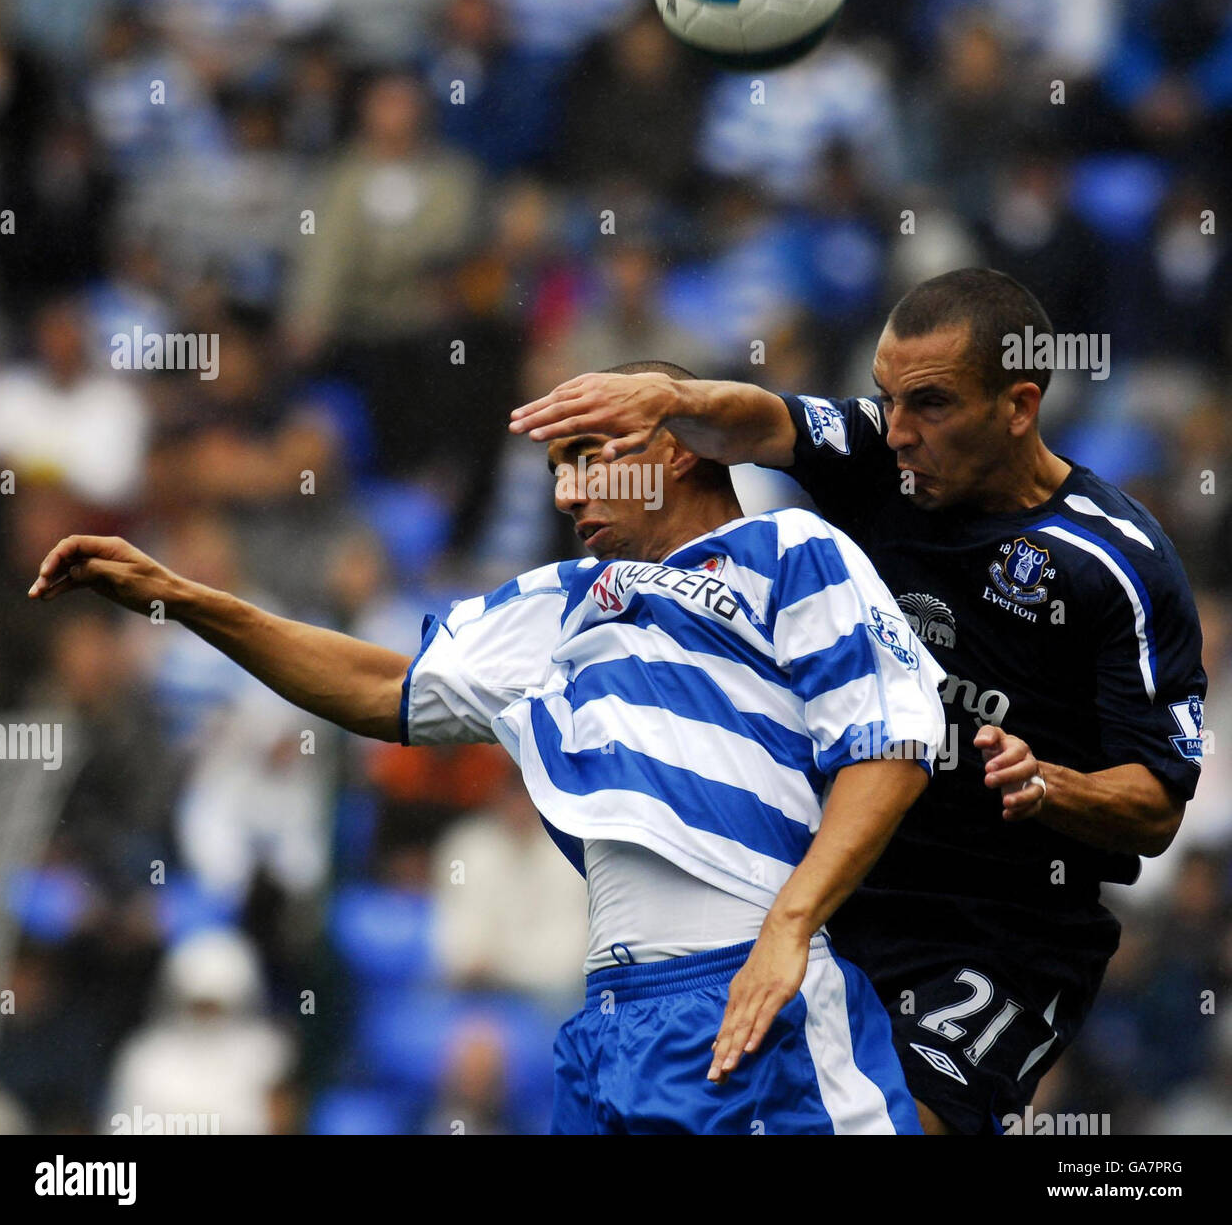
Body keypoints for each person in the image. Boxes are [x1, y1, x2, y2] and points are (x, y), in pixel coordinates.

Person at [29, 363, 947, 1135]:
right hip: (609, 1027)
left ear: (673, 443)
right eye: (554, 468)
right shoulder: (556, 603)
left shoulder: (791, 551)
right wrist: (189, 601)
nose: (565, 491)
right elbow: (379, 689)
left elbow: (893, 746)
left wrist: (788, 930)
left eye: (587, 457)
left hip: (756, 989)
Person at [509, 270, 1208, 1135]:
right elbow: (763, 420)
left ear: (1018, 404)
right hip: (842, 890)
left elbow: (1156, 805)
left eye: (929, 404)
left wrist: (1049, 786)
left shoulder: (1114, 563)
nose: (899, 430)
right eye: (885, 397)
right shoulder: (881, 460)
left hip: (999, 933)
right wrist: (672, 396)